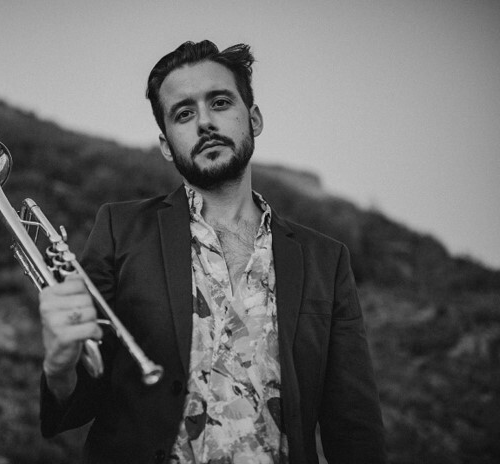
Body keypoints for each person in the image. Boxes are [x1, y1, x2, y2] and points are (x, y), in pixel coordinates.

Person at [39, 40, 386, 464]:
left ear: (253, 119)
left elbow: (354, 427)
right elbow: (82, 395)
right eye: (183, 114)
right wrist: (59, 366)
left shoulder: (325, 259)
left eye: (220, 102)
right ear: (167, 145)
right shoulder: (119, 229)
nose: (204, 122)